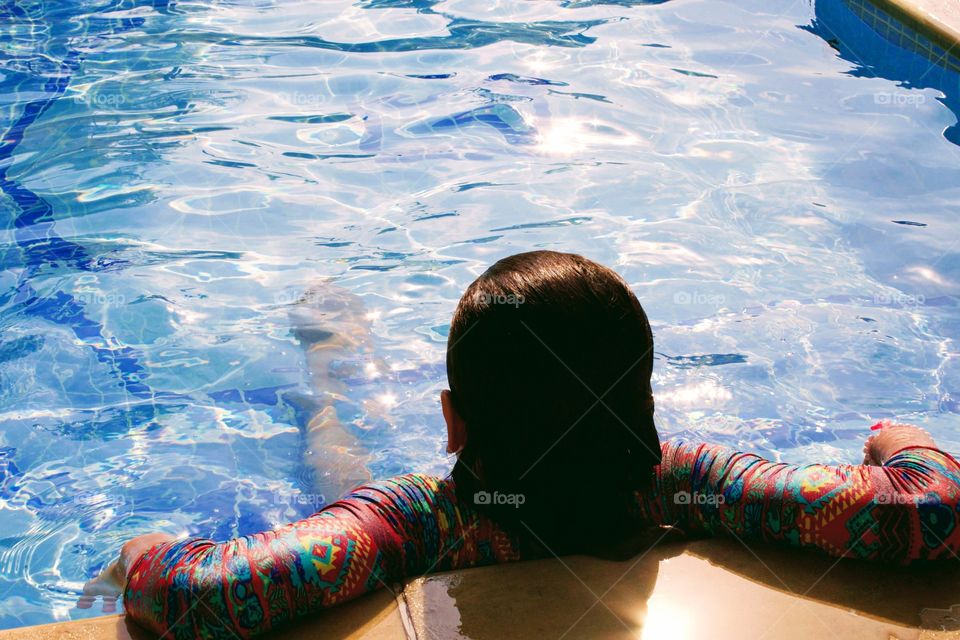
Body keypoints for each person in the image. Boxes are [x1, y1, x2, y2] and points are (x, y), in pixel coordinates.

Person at [79, 251, 960, 639]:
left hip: (424, 517)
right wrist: (900, 438)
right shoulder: (686, 483)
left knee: (338, 466)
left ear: (453, 422)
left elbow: (200, 599)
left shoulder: (427, 519)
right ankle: (332, 367)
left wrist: (136, 552)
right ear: (645, 402)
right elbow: (927, 511)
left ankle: (333, 369)